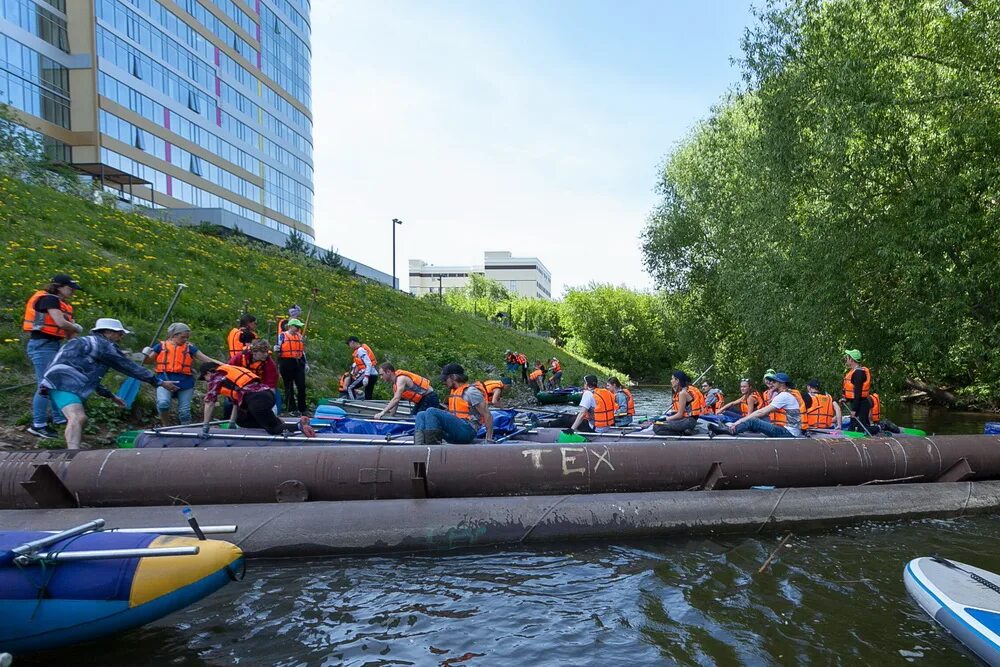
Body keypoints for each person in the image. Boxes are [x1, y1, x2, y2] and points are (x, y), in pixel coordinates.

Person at [40, 318, 179, 449]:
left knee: (80, 419)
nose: (121, 337)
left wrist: (110, 396)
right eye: (119, 333)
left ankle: (74, 448)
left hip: (58, 381)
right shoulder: (103, 345)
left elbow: (88, 375)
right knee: (77, 416)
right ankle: (72, 454)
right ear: (107, 332)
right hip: (64, 382)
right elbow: (127, 366)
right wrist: (159, 382)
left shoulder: (84, 342)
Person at [23, 274, 84, 438]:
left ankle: (58, 418)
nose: (72, 292)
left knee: (56, 382)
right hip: (42, 345)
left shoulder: (62, 304)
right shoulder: (50, 299)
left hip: (53, 345)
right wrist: (77, 328)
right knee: (45, 385)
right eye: (70, 288)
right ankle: (38, 424)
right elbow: (60, 323)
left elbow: (67, 331)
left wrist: (76, 345)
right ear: (58, 286)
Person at [199, 362, 315, 437]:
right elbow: (235, 403)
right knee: (243, 421)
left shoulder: (216, 377)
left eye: (205, 378)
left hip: (257, 400)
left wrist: (205, 427)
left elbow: (209, 403)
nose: (207, 381)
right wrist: (232, 422)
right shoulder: (229, 372)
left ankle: (299, 426)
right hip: (267, 394)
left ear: (209, 373)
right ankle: (277, 421)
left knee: (273, 429)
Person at [142, 323, 220, 426]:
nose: (185, 340)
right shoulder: (161, 346)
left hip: (185, 382)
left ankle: (185, 429)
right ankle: (166, 426)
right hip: (164, 380)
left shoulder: (190, 348)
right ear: (173, 335)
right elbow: (147, 361)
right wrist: (145, 354)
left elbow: (207, 359)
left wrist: (224, 365)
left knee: (184, 412)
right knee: (163, 404)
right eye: (182, 337)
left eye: (187, 338)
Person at [412, 363, 493, 444]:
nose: (444, 382)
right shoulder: (453, 392)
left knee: (431, 411)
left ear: (454, 377)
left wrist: (489, 439)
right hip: (455, 430)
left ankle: (432, 448)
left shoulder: (471, 392)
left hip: (467, 431)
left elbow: (487, 415)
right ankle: (419, 448)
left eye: (445, 379)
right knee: (421, 414)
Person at [709, 372, 800, 438]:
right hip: (785, 429)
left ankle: (730, 430)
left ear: (782, 384)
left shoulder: (784, 396)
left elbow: (761, 412)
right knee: (750, 419)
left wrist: (739, 421)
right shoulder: (785, 394)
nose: (771, 383)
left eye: (774, 382)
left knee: (753, 421)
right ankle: (729, 427)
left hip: (788, 432)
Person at [373, 363, 440, 418]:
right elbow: (395, 403)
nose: (381, 377)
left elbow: (396, 399)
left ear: (388, 372)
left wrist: (382, 412)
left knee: (417, 419)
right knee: (412, 417)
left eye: (382, 375)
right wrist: (390, 416)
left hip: (430, 398)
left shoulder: (401, 379)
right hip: (422, 400)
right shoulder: (395, 385)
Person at [230, 338, 280, 413]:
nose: (266, 354)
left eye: (266, 352)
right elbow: (230, 373)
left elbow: (271, 384)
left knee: (269, 405)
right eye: (263, 352)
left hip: (259, 389)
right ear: (254, 352)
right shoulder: (239, 357)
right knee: (230, 404)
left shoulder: (269, 363)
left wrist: (270, 401)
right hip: (239, 387)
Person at [653, 371, 705, 435]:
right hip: (687, 420)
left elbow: (680, 415)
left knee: (657, 427)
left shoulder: (682, 393)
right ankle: (686, 431)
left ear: (677, 380)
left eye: (672, 379)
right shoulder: (684, 390)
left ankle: (683, 432)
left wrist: (665, 418)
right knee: (658, 424)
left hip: (688, 422)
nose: (671, 381)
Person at [275, 318, 308, 415]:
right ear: (290, 326)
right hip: (286, 362)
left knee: (301, 386)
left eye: (299, 327)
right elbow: (277, 349)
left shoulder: (300, 336)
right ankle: (291, 408)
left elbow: (302, 351)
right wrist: (276, 349)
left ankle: (303, 408)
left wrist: (306, 363)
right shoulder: (282, 336)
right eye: (296, 326)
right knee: (289, 386)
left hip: (299, 362)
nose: (298, 328)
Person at [841, 349, 873, 431]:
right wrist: (846, 399)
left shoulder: (859, 373)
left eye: (847, 357)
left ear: (851, 359)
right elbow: (852, 393)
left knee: (861, 429)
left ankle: (880, 427)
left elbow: (857, 393)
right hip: (857, 403)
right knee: (852, 428)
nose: (846, 359)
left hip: (861, 405)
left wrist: (854, 410)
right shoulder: (853, 371)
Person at [346, 336, 378, 400]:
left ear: (352, 342)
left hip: (368, 374)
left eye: (349, 344)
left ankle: (353, 405)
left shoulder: (360, 350)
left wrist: (366, 377)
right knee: (368, 394)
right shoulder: (361, 350)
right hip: (374, 374)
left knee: (350, 388)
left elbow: (368, 363)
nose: (349, 346)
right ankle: (368, 407)